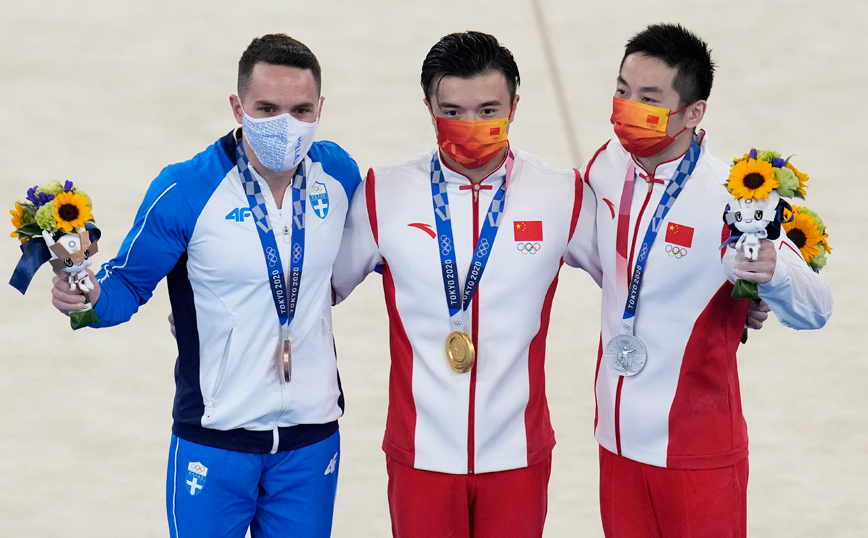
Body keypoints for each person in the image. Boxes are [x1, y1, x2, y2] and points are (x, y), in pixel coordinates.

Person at [50, 34, 361, 538]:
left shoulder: (340, 175)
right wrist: (87, 299)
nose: (286, 124)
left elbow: (375, 255)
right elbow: (127, 284)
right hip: (215, 438)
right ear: (238, 108)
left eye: (301, 110)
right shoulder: (186, 189)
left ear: (320, 108)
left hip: (311, 438)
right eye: (267, 109)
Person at [332, 31, 601, 538]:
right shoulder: (382, 193)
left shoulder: (560, 193)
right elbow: (317, 290)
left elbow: (636, 280)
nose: (470, 125)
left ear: (514, 106)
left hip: (517, 454)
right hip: (421, 454)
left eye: (488, 111)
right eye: (452, 111)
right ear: (429, 107)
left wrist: (740, 300)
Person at [581, 23, 833, 537]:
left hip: (697, 454)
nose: (628, 109)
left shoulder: (731, 198)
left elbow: (818, 308)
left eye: (649, 99)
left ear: (694, 112)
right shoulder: (604, 166)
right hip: (617, 444)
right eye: (623, 91)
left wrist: (772, 277)